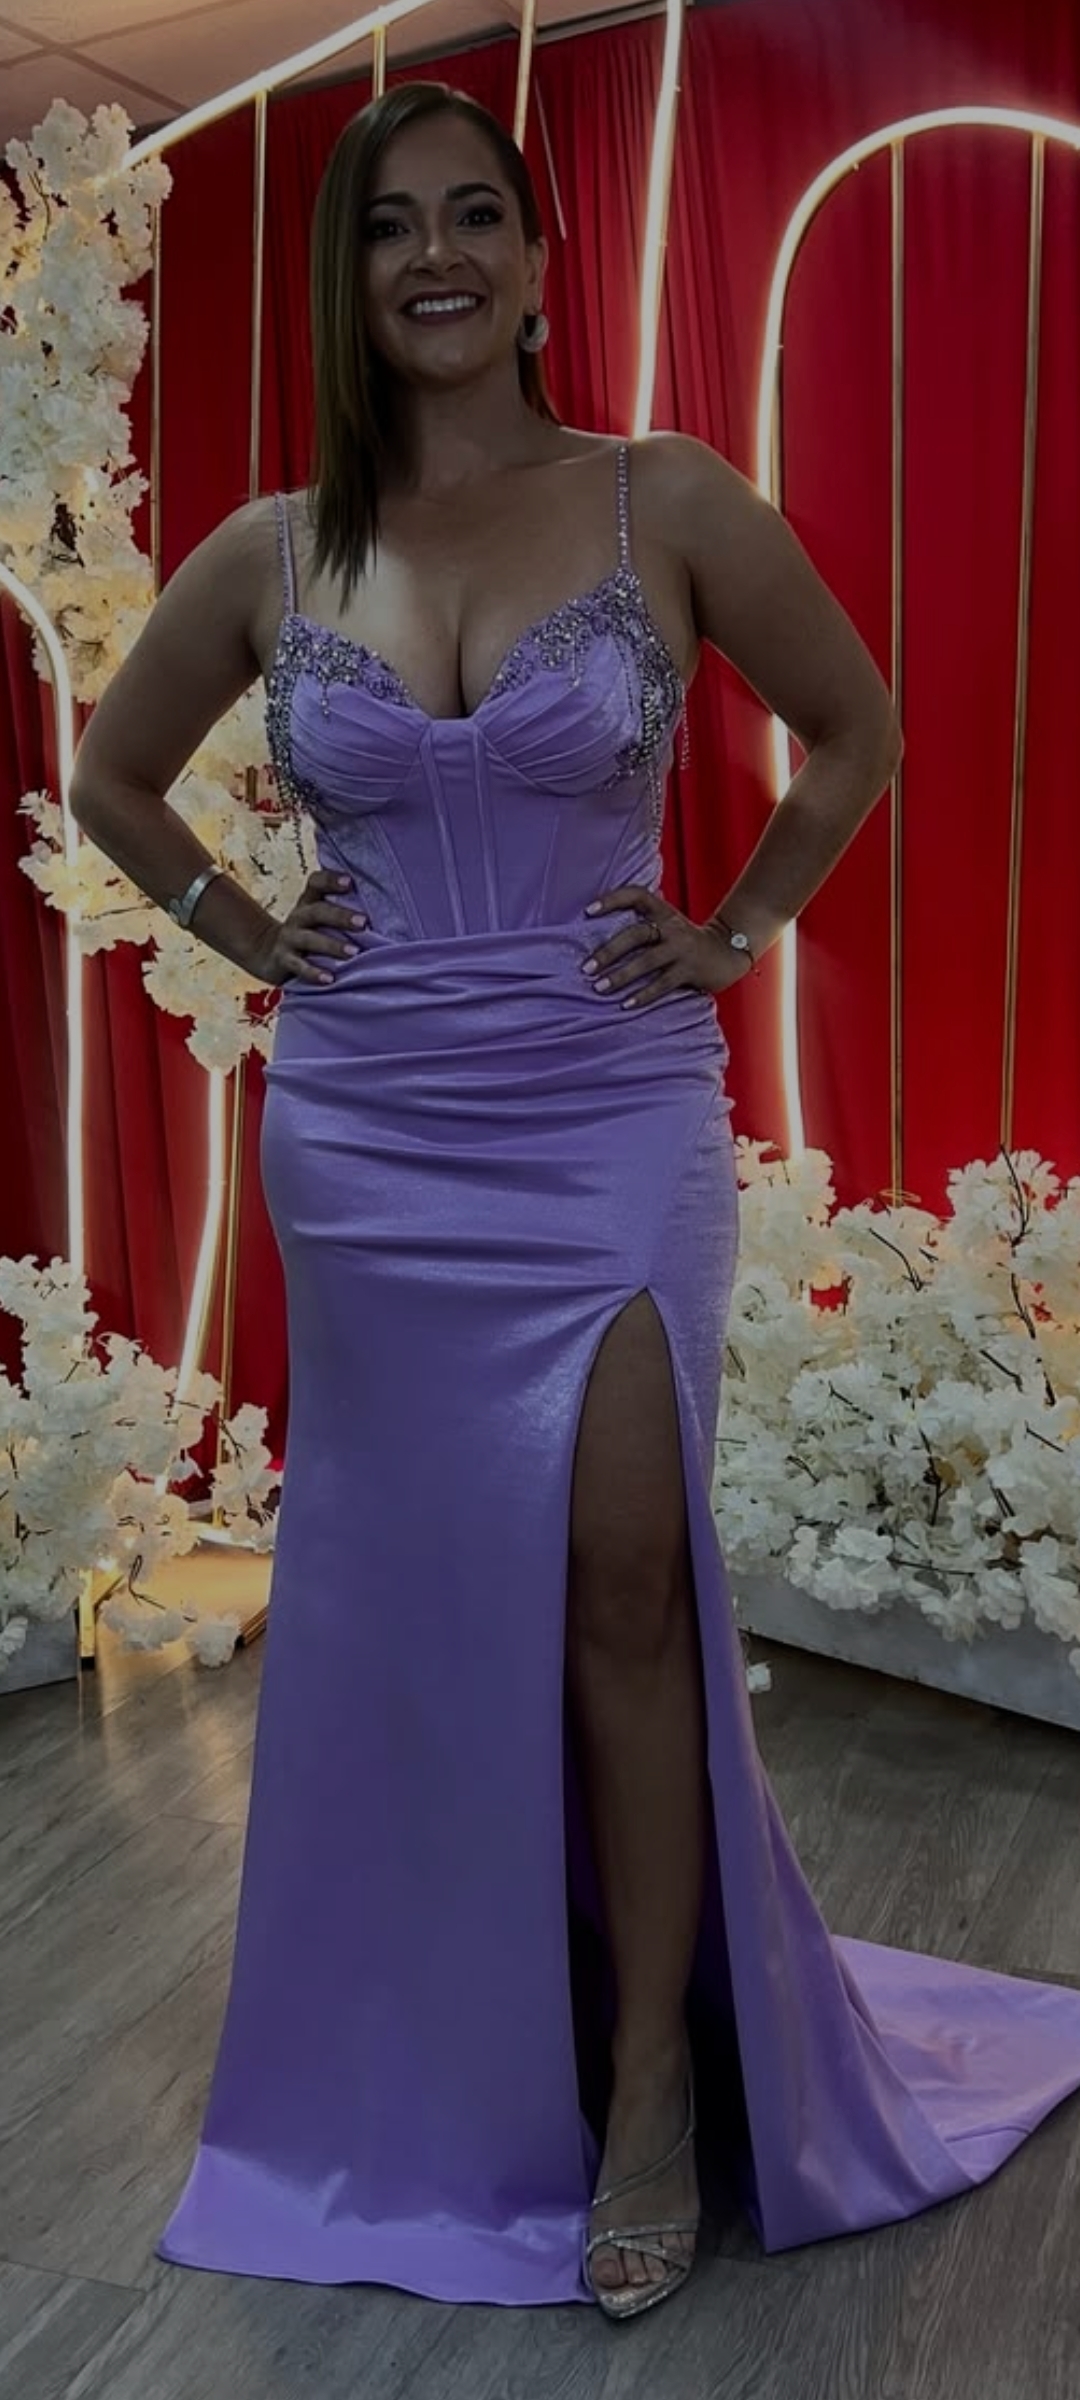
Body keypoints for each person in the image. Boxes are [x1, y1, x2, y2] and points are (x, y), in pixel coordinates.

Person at [69, 80, 1080, 2326]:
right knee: (410, 1610)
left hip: (608, 1106)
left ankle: (645, 2087)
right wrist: (243, 928)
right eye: (389, 226)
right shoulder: (268, 550)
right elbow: (113, 777)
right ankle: (434, 2052)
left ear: (537, 265)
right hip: (368, 1125)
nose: (435, 255)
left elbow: (857, 727)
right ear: (349, 279)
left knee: (630, 1582)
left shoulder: (664, 497)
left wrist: (737, 929)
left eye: (475, 218)